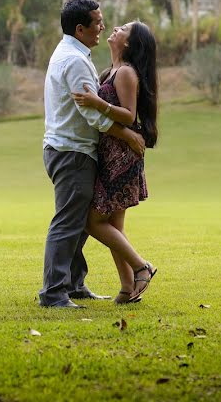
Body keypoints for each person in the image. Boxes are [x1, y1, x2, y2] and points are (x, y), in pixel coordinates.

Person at [39, 0, 146, 309]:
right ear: (80, 28)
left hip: (70, 149)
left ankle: (73, 284)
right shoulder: (75, 61)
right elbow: (92, 116)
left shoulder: (71, 54)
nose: (103, 27)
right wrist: (126, 134)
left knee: (78, 221)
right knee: (68, 223)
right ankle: (54, 294)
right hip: (72, 152)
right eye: (97, 22)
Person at [72, 21, 159, 304]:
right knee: (114, 226)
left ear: (129, 44)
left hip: (121, 158)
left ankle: (141, 266)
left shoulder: (125, 73)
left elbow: (129, 116)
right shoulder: (111, 71)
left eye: (124, 28)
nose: (116, 28)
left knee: (92, 221)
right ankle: (127, 288)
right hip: (112, 154)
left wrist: (98, 103)